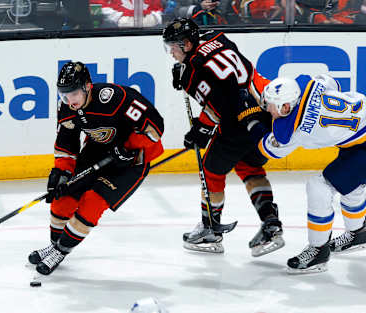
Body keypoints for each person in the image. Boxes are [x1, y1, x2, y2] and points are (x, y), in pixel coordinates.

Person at [28, 61, 164, 275]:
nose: (69, 101)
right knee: (61, 200)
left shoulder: (114, 99)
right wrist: (61, 172)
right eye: (64, 95)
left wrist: (128, 148)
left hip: (132, 160)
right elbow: (66, 142)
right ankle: (55, 246)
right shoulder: (67, 106)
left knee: (91, 203)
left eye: (73, 94)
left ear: (87, 87)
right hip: (97, 151)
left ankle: (60, 251)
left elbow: (155, 127)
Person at [162, 18, 285, 256]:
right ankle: (271, 224)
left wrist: (199, 131)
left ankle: (211, 229)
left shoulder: (195, 72)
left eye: (174, 47)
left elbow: (218, 110)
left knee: (211, 171)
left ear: (187, 44)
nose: (171, 53)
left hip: (238, 122)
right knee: (250, 168)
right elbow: (237, 73)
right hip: (264, 108)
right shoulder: (217, 36)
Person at [239, 74, 366, 274]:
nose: (268, 109)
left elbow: (266, 149)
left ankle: (318, 252)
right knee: (351, 182)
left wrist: (250, 122)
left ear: (286, 107)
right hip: (358, 136)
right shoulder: (316, 85)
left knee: (319, 186)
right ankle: (359, 234)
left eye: (271, 106)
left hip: (361, 144)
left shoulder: (298, 132)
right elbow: (333, 83)